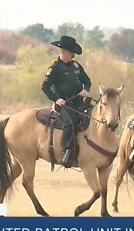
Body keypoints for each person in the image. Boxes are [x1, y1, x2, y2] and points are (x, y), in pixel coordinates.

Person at [41, 36, 91, 167]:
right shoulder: (54, 68)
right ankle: (67, 151)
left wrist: (86, 89)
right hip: (64, 103)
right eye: (72, 52)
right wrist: (57, 99)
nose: (73, 55)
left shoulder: (76, 66)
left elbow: (87, 80)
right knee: (71, 120)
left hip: (79, 101)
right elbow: (45, 86)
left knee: (92, 115)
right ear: (64, 51)